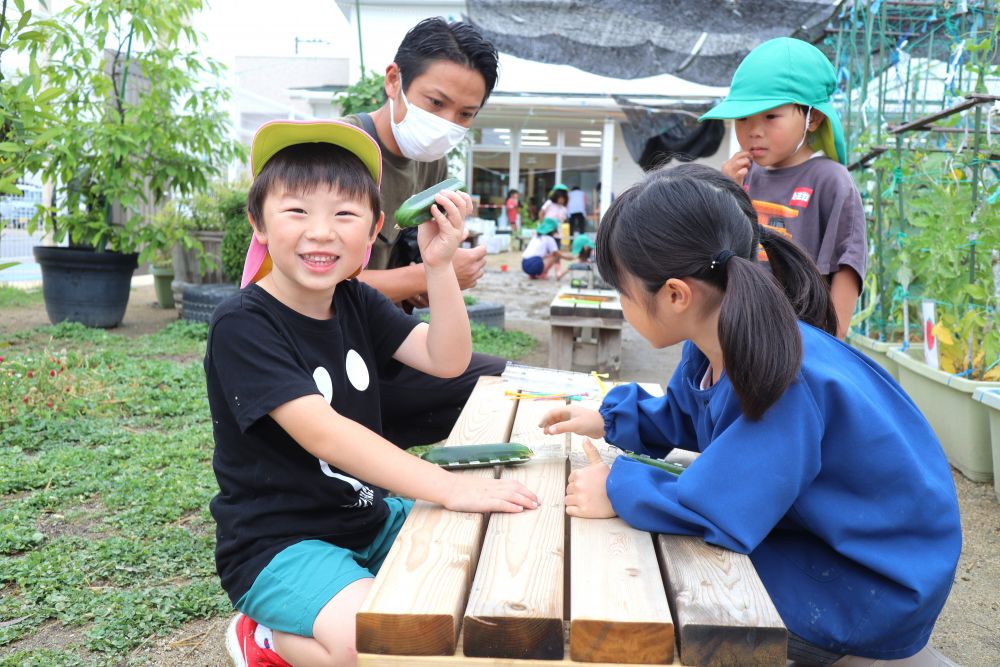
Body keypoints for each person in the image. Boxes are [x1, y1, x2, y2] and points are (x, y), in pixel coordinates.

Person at [539, 163, 961, 666]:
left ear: (676, 294)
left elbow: (718, 507)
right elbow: (686, 413)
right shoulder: (716, 339)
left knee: (680, 600)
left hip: (866, 583)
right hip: (824, 538)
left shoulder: (783, 374)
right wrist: (610, 421)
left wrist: (616, 487)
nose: (622, 305)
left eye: (623, 292)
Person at [213, 120, 539, 667]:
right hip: (279, 544)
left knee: (488, 566)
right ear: (259, 222)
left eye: (344, 214)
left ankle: (332, 600)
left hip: (369, 516)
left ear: (374, 229)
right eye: (296, 211)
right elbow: (325, 432)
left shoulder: (355, 300)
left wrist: (437, 268)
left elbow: (446, 359)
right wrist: (445, 487)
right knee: (379, 646)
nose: (321, 232)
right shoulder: (243, 322)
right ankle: (264, 637)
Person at [337, 17, 508, 447]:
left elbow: (400, 273)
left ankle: (371, 448)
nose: (447, 122)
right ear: (394, 80)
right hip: (329, 343)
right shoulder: (344, 151)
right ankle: (361, 450)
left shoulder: (431, 163)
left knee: (501, 382)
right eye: (436, 103)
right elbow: (319, 282)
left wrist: (432, 279)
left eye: (465, 114)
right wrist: (429, 274)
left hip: (383, 338)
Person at [700, 37, 867, 340]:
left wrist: (832, 343)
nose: (753, 130)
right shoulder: (741, 177)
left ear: (812, 118)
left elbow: (847, 262)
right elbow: (715, 254)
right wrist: (724, 193)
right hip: (741, 335)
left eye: (771, 116)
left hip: (801, 341)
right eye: (742, 118)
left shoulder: (830, 180)